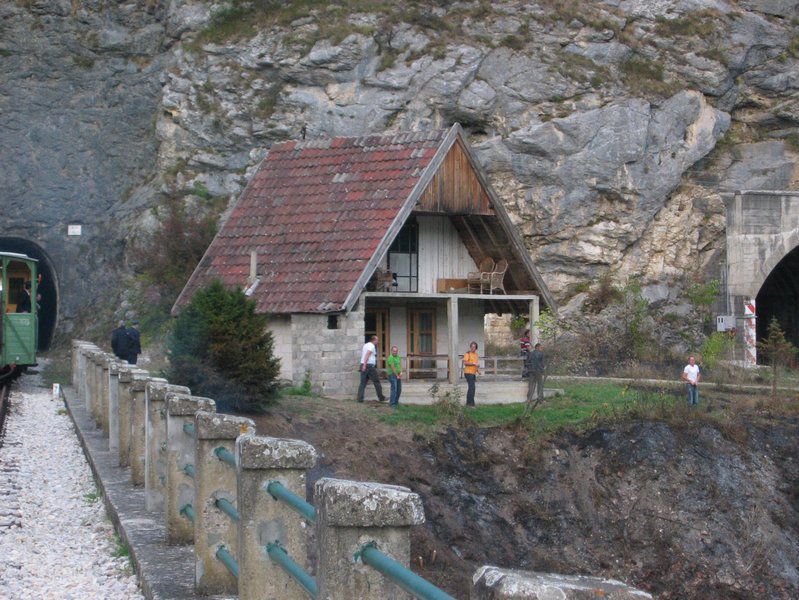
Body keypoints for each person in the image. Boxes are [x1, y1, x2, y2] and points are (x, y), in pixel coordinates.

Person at [357, 335, 386, 403]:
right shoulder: (371, 346)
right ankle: (381, 398)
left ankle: (360, 399)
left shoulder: (365, 345)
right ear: (374, 340)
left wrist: (363, 365)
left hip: (364, 365)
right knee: (376, 382)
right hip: (369, 366)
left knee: (363, 383)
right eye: (377, 340)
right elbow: (367, 355)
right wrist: (364, 365)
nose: (378, 342)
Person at [526, 342, 546, 407]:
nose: (541, 349)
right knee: (540, 386)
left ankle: (529, 400)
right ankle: (540, 400)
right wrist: (543, 369)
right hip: (539, 372)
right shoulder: (541, 354)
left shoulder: (531, 354)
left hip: (531, 372)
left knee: (531, 386)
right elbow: (542, 364)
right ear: (537, 347)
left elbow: (527, 362)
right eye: (541, 347)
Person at [462, 341, 479, 407]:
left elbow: (476, 364)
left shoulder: (476, 355)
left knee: (471, 388)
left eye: (474, 347)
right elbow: (465, 363)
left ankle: (468, 403)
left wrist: (478, 370)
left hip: (473, 373)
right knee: (472, 388)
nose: (472, 348)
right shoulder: (467, 354)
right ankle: (471, 404)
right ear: (470, 347)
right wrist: (473, 364)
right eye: (471, 346)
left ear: (476, 348)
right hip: (468, 373)